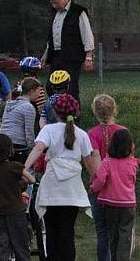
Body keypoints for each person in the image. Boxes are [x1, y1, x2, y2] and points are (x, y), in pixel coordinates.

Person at [24, 93, 98, 261]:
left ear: (55, 112)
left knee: (51, 232)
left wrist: (24, 168)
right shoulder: (82, 134)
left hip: (52, 189)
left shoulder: (48, 130)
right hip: (71, 191)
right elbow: (89, 163)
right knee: (67, 233)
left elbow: (38, 149)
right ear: (76, 112)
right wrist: (97, 181)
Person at [87, 94, 127, 261]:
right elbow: (128, 162)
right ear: (114, 109)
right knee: (119, 230)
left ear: (95, 111)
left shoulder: (92, 133)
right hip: (120, 189)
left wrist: (96, 184)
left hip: (100, 188)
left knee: (102, 231)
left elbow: (95, 164)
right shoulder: (123, 131)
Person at [90, 128, 139, 261]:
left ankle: (113, 257)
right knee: (126, 233)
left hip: (109, 203)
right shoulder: (132, 163)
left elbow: (100, 180)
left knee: (112, 234)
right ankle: (123, 257)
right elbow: (133, 180)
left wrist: (93, 188)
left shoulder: (107, 162)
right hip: (127, 204)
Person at [41, 0, 95, 100]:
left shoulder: (78, 11)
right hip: (56, 56)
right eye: (51, 3)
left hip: (72, 57)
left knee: (71, 89)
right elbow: (52, 36)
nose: (53, 6)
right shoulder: (54, 13)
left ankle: (74, 115)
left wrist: (88, 57)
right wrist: (46, 53)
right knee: (51, 87)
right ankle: (57, 112)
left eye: (55, 2)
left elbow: (87, 34)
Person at [0, 133, 35, 261]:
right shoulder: (15, 166)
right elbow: (31, 179)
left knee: (0, 245)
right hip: (15, 209)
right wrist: (23, 182)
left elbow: (2, 183)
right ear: (10, 150)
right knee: (20, 243)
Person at [0, 77, 42, 163]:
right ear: (31, 91)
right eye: (38, 91)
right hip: (17, 145)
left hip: (2, 140)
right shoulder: (28, 107)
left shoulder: (9, 104)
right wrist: (32, 149)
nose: (39, 94)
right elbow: (29, 132)